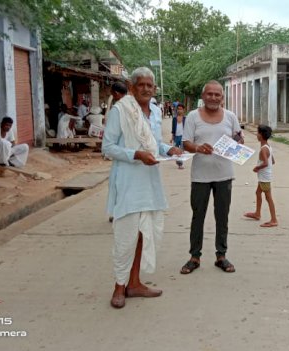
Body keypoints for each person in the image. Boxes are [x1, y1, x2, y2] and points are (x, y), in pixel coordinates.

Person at [102, 67, 183, 309]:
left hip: (149, 180)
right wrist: (136, 154)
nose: (146, 89)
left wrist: (170, 150)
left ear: (155, 89)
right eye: (141, 85)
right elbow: (107, 148)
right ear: (131, 86)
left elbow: (154, 142)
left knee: (144, 233)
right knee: (125, 234)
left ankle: (135, 283)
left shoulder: (156, 111)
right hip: (128, 180)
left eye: (150, 85)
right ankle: (119, 286)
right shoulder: (120, 110)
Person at [179, 80, 243, 275]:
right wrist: (198, 148)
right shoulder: (192, 117)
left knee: (222, 216)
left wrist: (239, 141)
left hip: (224, 175)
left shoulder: (230, 117)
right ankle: (194, 256)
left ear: (222, 98)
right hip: (200, 176)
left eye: (217, 95)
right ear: (203, 96)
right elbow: (186, 143)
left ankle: (221, 255)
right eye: (210, 94)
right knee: (198, 216)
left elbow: (238, 139)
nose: (213, 98)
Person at [244, 125, 278, 227]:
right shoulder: (268, 146)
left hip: (264, 177)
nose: (256, 135)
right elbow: (273, 161)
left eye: (258, 133)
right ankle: (257, 213)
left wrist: (257, 168)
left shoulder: (263, 149)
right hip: (264, 176)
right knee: (258, 192)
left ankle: (274, 220)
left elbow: (266, 163)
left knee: (268, 198)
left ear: (261, 135)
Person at [106, 81, 129, 223]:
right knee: (118, 184)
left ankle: (117, 212)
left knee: (117, 184)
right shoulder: (130, 106)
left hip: (122, 153)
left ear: (115, 93)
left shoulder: (118, 109)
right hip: (124, 152)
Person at [170, 104, 187, 169]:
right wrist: (172, 137)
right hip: (176, 137)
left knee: (181, 151)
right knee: (176, 151)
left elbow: (188, 129)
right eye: (178, 109)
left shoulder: (185, 119)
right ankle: (178, 163)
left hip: (183, 137)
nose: (179, 110)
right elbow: (173, 129)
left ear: (183, 110)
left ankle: (180, 164)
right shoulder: (174, 119)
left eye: (181, 109)